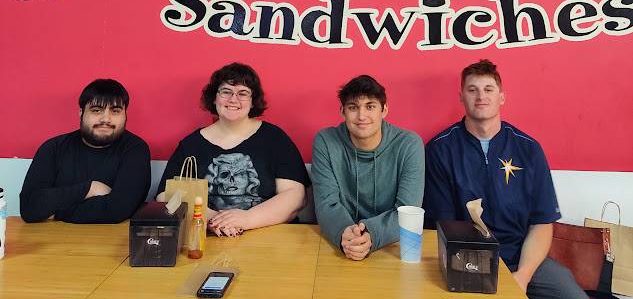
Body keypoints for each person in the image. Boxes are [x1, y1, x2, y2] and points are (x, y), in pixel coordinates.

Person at [423, 60, 587, 299]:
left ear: (501, 97)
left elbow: (541, 223)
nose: (481, 96)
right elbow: (444, 227)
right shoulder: (440, 149)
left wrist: (523, 276)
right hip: (466, 258)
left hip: (523, 258)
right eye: (472, 90)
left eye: (488, 89)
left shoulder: (529, 149)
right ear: (461, 97)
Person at [156, 63, 310, 236]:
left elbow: (295, 196)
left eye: (242, 93)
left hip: (270, 239)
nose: (233, 99)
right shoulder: (191, 145)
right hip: (208, 238)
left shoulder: (275, 139)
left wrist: (247, 219)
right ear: (214, 98)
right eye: (226, 91)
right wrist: (212, 219)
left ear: (253, 101)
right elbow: (165, 195)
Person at [311, 75, 424, 260]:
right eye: (353, 107)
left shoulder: (409, 144)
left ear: (384, 110)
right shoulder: (325, 141)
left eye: (370, 107)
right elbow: (326, 204)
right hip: (343, 244)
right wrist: (346, 235)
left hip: (391, 248)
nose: (361, 116)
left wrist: (371, 236)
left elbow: (407, 210)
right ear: (342, 111)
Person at [20, 78, 150, 223]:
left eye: (115, 111)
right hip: (51, 236)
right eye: (96, 110)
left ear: (125, 114)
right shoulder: (53, 148)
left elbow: (117, 210)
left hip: (111, 237)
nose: (106, 119)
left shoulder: (135, 149)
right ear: (81, 112)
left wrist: (56, 213)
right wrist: (89, 189)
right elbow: (29, 207)